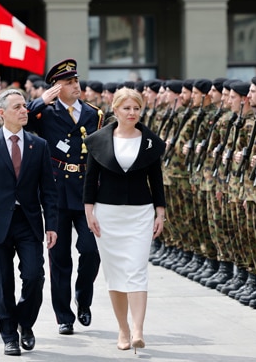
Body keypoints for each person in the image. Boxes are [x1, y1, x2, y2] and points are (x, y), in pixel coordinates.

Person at [0, 88, 58, 356]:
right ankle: (9, 335)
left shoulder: (38, 145)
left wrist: (51, 224)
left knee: (34, 276)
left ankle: (25, 324)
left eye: (24, 106)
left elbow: (49, 190)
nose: (23, 110)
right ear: (2, 112)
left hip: (28, 222)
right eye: (17, 107)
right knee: (2, 282)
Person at [83, 88, 166, 352]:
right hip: (107, 214)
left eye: (136, 108)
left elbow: (156, 180)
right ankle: (123, 329)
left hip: (140, 213)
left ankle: (139, 330)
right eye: (127, 108)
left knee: (137, 270)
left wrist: (160, 212)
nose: (132, 113)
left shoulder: (150, 142)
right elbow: (90, 179)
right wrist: (89, 211)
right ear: (115, 110)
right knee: (115, 274)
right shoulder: (98, 140)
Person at [25, 58, 102, 336]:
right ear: (56, 88)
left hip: (85, 194)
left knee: (91, 251)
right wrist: (38, 101)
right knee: (59, 258)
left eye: (76, 81)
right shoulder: (44, 114)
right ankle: (64, 315)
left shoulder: (94, 114)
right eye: (68, 82)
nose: (75, 86)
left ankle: (83, 299)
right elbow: (17, 122)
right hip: (56, 194)